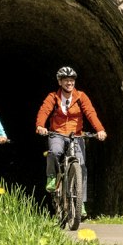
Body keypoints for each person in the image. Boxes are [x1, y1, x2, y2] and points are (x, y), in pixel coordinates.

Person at [34, 66, 106, 195]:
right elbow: (44, 111)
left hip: (76, 135)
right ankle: (51, 177)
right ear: (60, 82)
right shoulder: (53, 97)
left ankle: (81, 202)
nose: (69, 83)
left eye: (72, 80)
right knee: (54, 152)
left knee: (81, 166)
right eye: (66, 80)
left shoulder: (81, 96)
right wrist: (40, 126)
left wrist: (100, 130)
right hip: (57, 134)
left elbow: (90, 113)